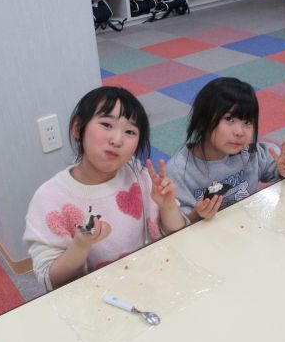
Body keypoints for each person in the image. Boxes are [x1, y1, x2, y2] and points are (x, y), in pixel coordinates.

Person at [24, 86, 187, 291]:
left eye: (130, 132)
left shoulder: (139, 175)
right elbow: (51, 278)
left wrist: (168, 206)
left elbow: (176, 234)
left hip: (151, 281)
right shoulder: (49, 198)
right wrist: (81, 245)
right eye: (106, 125)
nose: (117, 140)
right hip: (97, 297)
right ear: (78, 127)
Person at [165, 77, 285, 223]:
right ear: (203, 122)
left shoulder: (249, 153)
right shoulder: (179, 171)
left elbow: (277, 168)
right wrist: (198, 215)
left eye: (247, 122)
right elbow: (177, 225)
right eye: (230, 119)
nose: (240, 132)